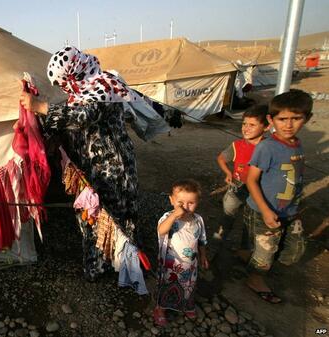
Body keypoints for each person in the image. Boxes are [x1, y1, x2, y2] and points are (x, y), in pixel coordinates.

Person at [19, 46, 140, 279]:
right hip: (89, 170)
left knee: (117, 218)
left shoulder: (104, 85)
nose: (64, 88)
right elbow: (69, 121)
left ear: (75, 71)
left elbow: (84, 116)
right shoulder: (78, 92)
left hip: (114, 170)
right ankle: (98, 267)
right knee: (91, 216)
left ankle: (126, 267)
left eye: (65, 81)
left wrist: (40, 106)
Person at [244, 89, 313, 304]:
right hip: (265, 210)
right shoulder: (267, 147)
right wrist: (265, 210)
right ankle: (255, 279)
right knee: (266, 250)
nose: (288, 125)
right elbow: (251, 180)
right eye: (282, 119)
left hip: (289, 210)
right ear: (270, 120)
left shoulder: (297, 144)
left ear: (307, 118)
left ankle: (255, 260)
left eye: (296, 118)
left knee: (295, 249)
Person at [153, 179, 208, 326]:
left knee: (189, 285)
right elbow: (161, 230)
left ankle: (187, 305)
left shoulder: (198, 220)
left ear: (197, 202)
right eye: (180, 203)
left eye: (191, 203)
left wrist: (203, 255)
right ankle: (161, 309)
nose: (185, 207)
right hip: (170, 265)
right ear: (171, 200)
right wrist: (173, 216)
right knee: (166, 286)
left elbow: (202, 240)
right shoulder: (168, 218)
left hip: (190, 266)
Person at [215, 105, 269, 256]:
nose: (246, 128)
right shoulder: (237, 145)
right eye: (244, 124)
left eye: (252, 125)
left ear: (266, 127)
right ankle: (217, 243)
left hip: (258, 190)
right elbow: (221, 158)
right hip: (237, 186)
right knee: (227, 215)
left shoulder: (269, 148)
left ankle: (245, 250)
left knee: (250, 221)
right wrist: (228, 173)